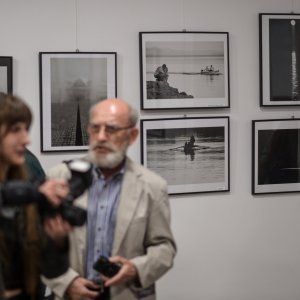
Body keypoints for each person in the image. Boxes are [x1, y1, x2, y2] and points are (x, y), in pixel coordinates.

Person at [43, 98, 177, 300]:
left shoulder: (152, 186)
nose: (101, 136)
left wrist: (135, 269)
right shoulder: (58, 178)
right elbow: (37, 242)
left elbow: (164, 247)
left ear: (132, 135)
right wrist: (66, 282)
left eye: (112, 129)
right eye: (95, 128)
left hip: (126, 293)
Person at [0, 93, 72, 300]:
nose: (26, 139)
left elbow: (49, 270)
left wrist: (57, 242)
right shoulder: (28, 189)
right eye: (15, 130)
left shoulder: (27, 169)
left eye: (26, 129)